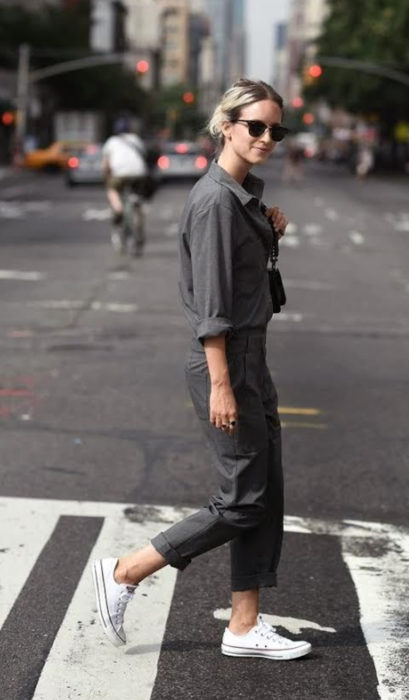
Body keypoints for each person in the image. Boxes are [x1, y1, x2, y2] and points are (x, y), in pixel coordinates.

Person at [92, 79, 312, 661]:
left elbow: (243, 284)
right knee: (241, 498)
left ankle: (244, 627)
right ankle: (126, 571)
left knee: (264, 493)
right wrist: (221, 383)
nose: (267, 137)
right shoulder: (217, 201)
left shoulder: (242, 198)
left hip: (249, 356)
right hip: (228, 359)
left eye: (276, 129)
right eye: (255, 126)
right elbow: (212, 307)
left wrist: (269, 235)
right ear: (226, 126)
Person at [102, 118, 147, 256]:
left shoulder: (111, 142)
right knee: (137, 200)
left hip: (120, 175)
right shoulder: (136, 140)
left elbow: (105, 165)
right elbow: (143, 157)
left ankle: (118, 209)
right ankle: (136, 203)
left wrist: (106, 177)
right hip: (139, 174)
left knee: (112, 189)